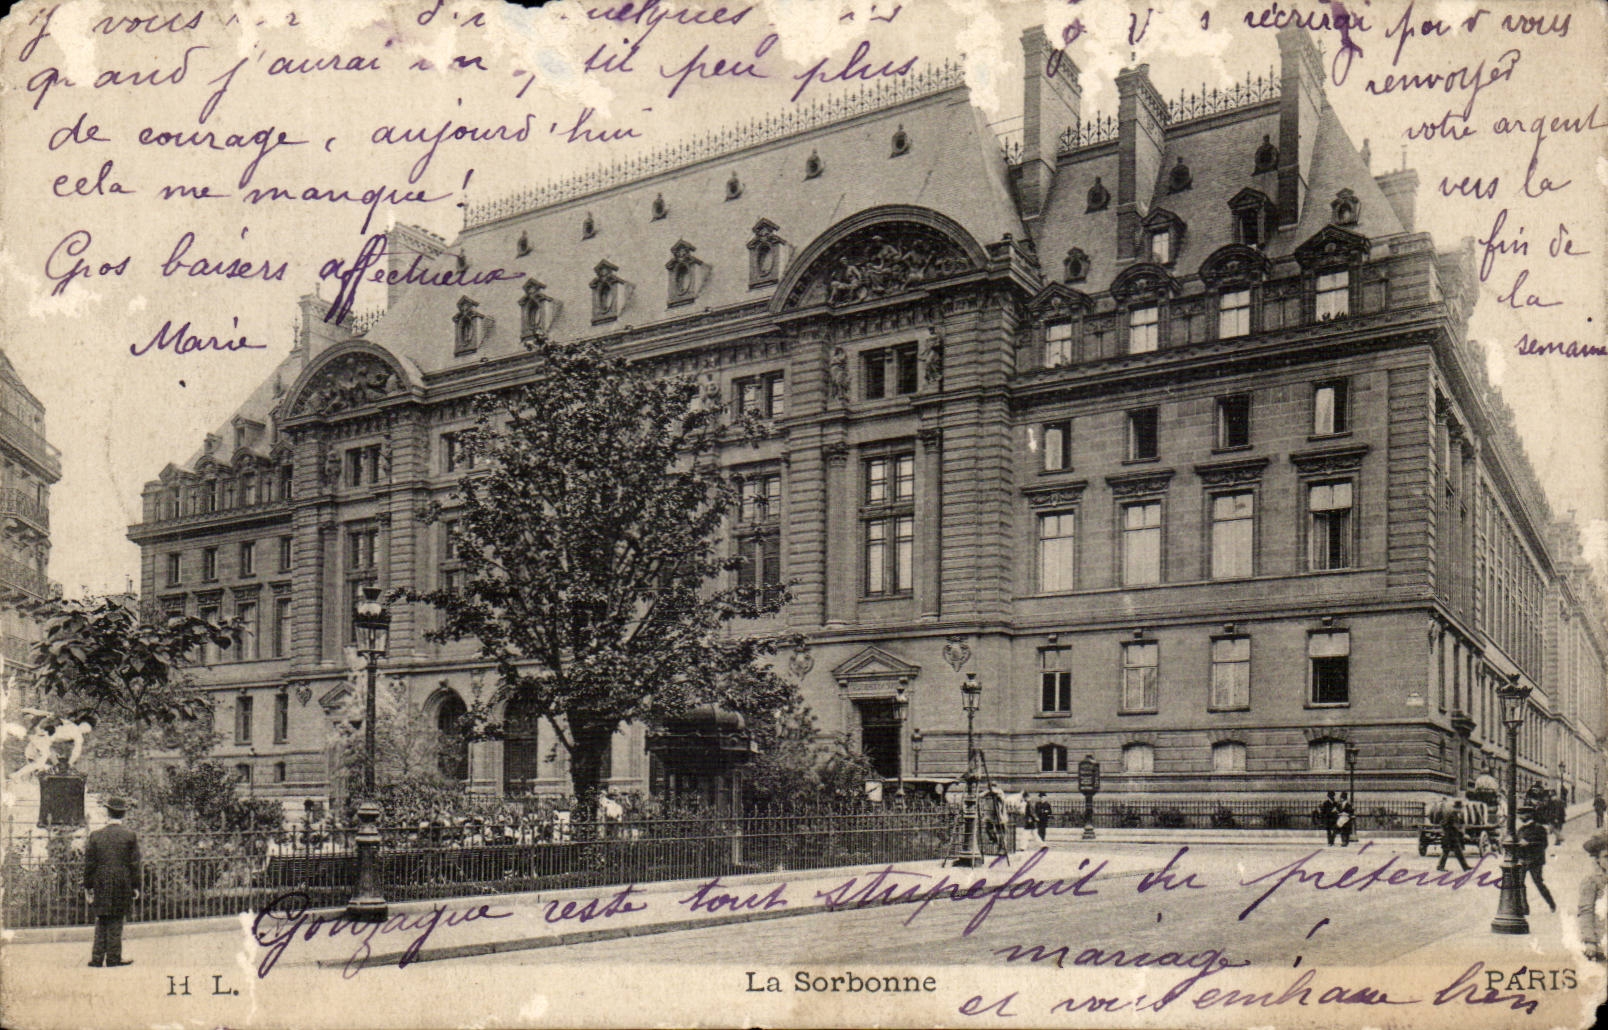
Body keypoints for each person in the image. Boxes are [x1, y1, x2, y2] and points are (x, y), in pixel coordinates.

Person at [84, 796, 141, 967]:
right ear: (123, 814)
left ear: (107, 813)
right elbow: (134, 864)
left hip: (101, 881)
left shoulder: (95, 836)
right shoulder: (130, 836)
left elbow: (90, 864)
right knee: (116, 918)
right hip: (122, 881)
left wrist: (88, 886)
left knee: (101, 918)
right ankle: (114, 958)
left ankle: (97, 958)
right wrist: (136, 886)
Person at [1517, 807, 1556, 914]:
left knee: (1538, 883)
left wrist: (1529, 843)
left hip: (1535, 860)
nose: (1520, 817)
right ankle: (1524, 908)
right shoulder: (1520, 829)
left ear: (1529, 815)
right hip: (1523, 859)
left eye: (1522, 814)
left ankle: (1551, 904)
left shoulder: (1539, 828)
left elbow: (1544, 844)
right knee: (1520, 884)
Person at [1578, 831, 1608, 962]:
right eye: (1606, 857)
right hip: (1602, 938)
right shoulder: (1592, 881)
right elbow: (1586, 911)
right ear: (1598, 859)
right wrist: (1590, 940)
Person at [1437, 799, 1469, 872]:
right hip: (1449, 836)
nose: (1461, 810)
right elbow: (1455, 826)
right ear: (1457, 808)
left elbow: (1459, 824)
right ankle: (1440, 866)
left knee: (1455, 851)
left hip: (1451, 836)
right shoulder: (1452, 814)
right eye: (1460, 808)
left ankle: (1465, 867)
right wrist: (1463, 833)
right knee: (1448, 851)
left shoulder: (1455, 814)